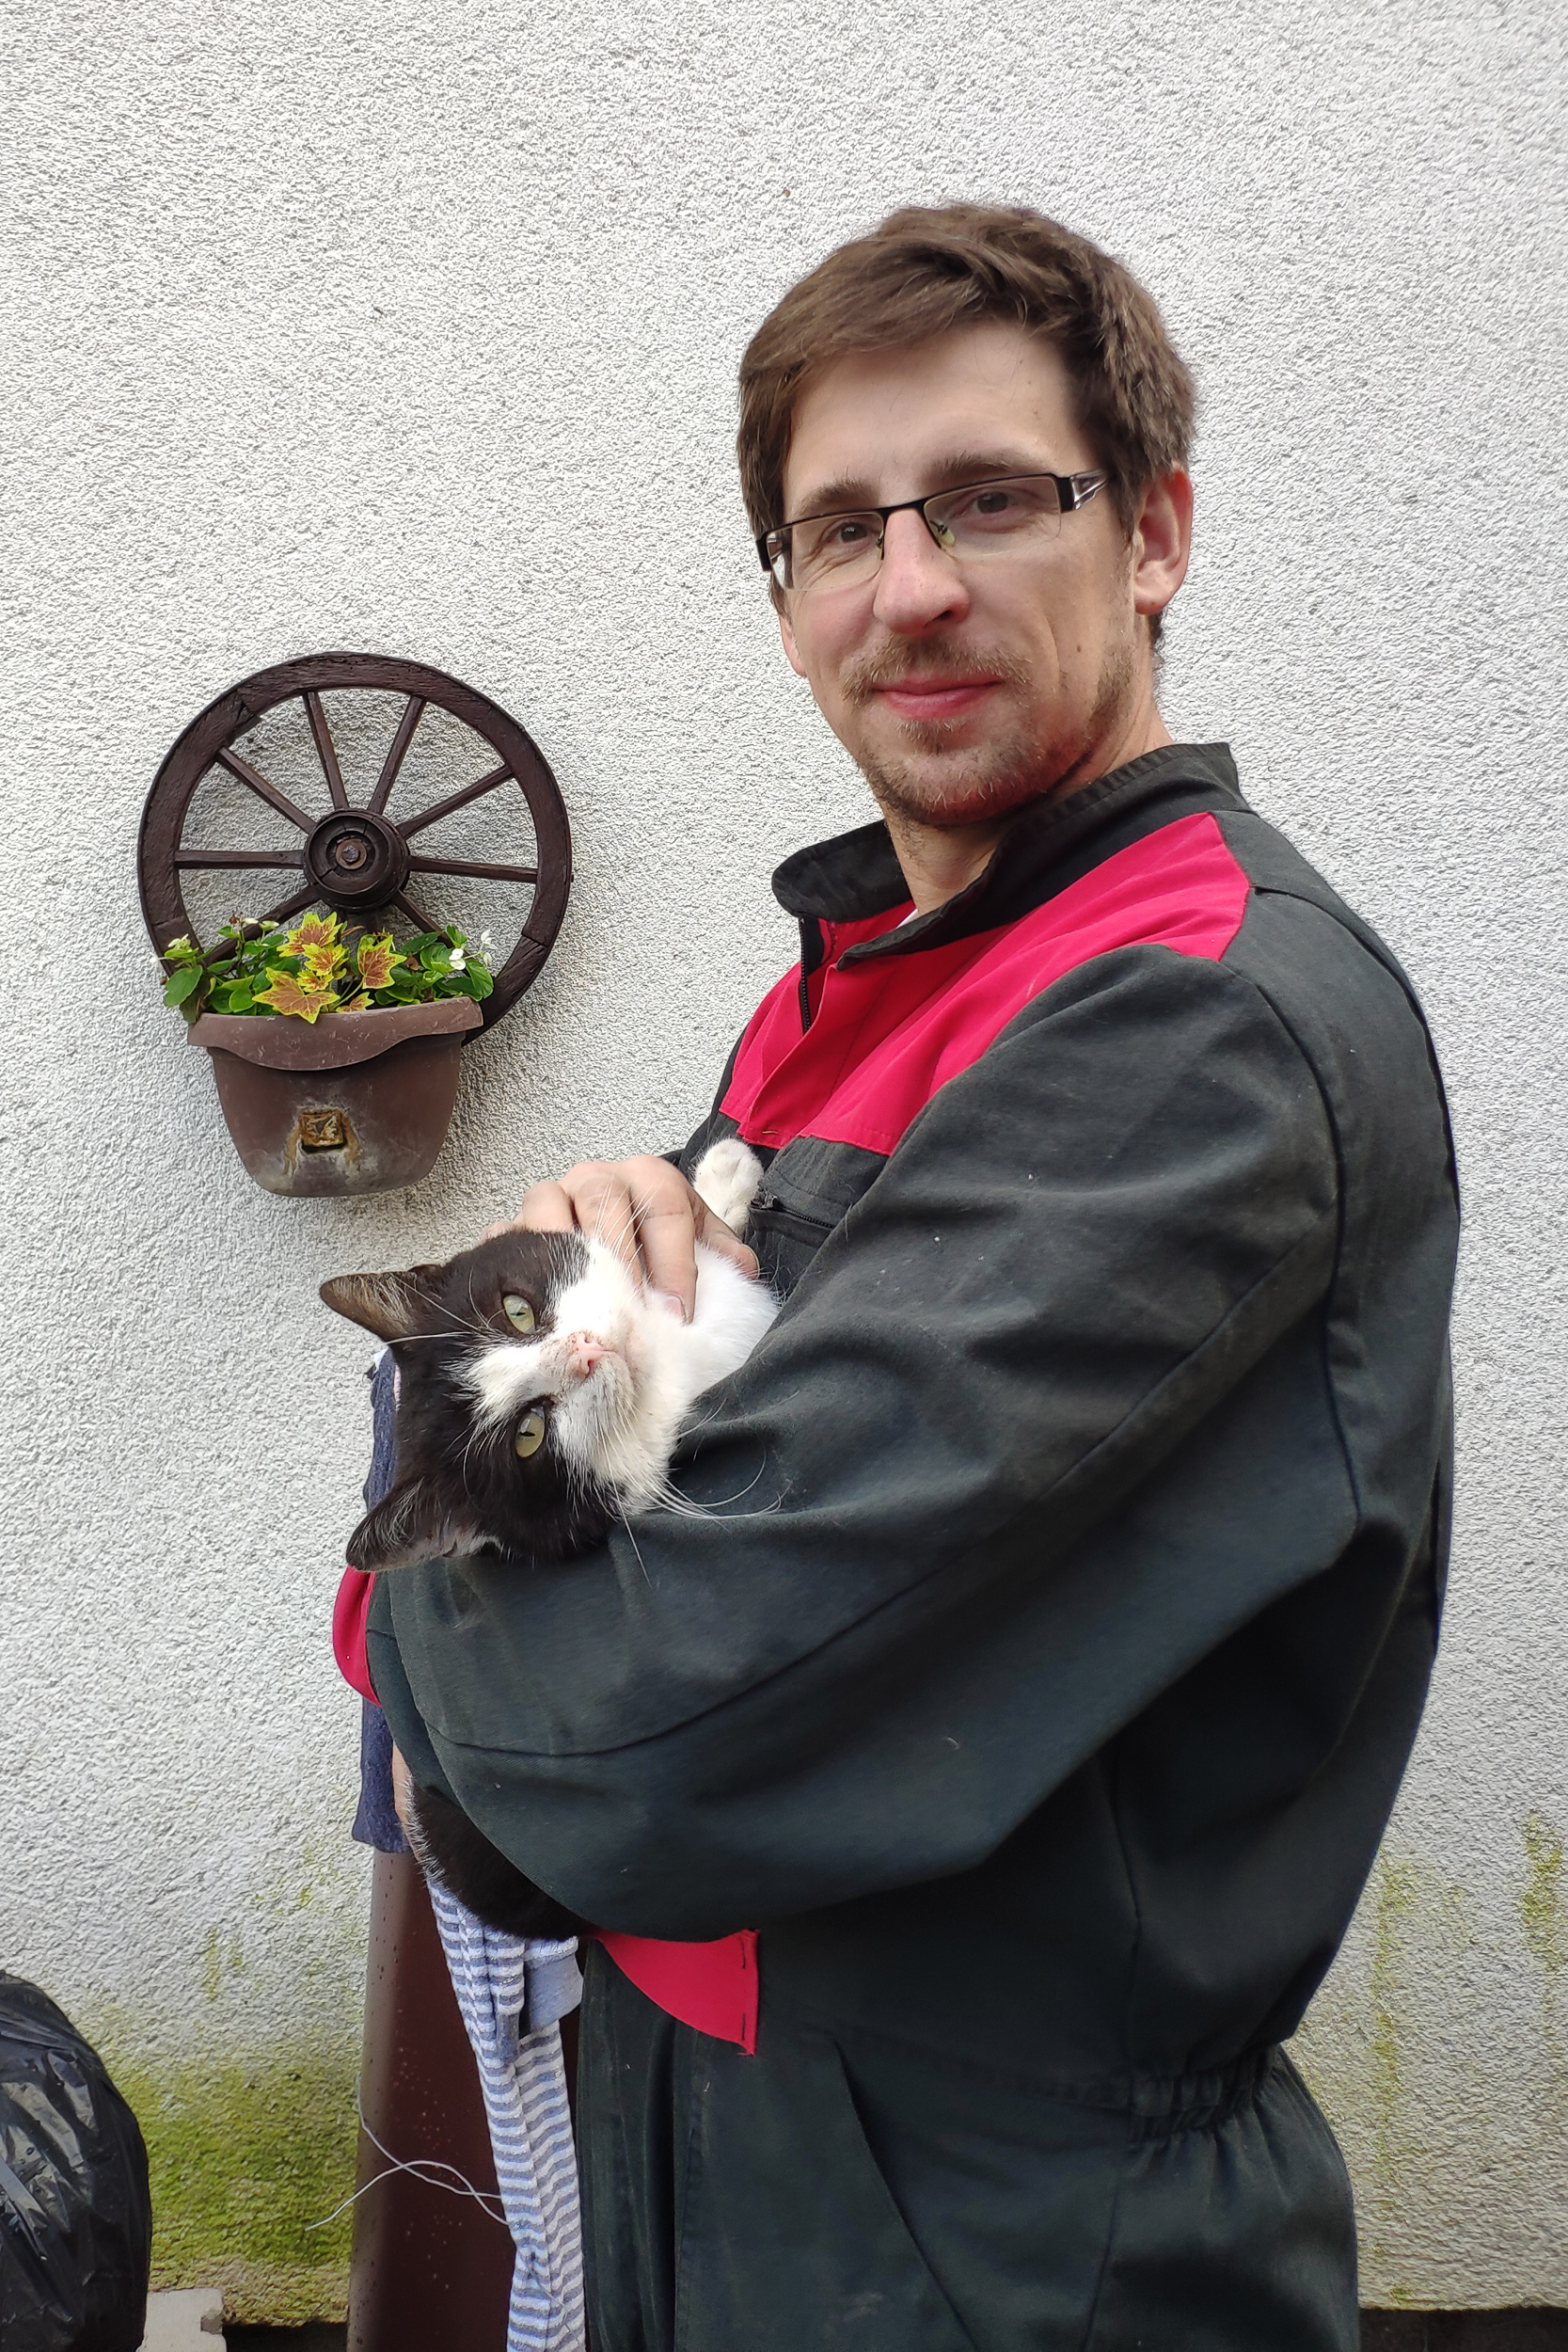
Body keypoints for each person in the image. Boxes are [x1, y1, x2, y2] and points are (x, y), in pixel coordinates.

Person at [367, 204, 1459, 2350]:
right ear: (787, 600)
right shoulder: (848, 996)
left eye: (989, 499)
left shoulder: (1192, 1022)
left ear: (1152, 534)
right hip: (743, 2171)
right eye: (839, 530)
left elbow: (649, 1730)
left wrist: (403, 1630)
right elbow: (632, 1544)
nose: (913, 585)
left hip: (997, 2249)